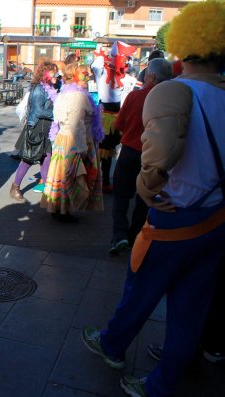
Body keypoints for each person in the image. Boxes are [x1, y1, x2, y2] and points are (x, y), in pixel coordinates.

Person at [81, 2, 225, 396]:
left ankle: (112, 345)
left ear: (185, 48)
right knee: (189, 312)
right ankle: (160, 384)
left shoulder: (174, 90)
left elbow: (159, 154)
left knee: (140, 289)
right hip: (215, 221)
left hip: (173, 216)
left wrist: (146, 190)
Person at [109, 58, 172, 255]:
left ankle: (118, 236)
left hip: (130, 151)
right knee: (145, 198)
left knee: (121, 195)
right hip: (155, 155)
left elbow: (119, 125)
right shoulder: (173, 101)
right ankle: (134, 235)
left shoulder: (135, 97)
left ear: (151, 76)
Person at [41, 63, 104, 222]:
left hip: (63, 139)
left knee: (61, 175)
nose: (87, 79)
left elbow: (58, 121)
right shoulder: (78, 96)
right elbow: (77, 124)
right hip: (76, 140)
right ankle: (64, 211)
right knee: (73, 175)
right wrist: (81, 149)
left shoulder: (63, 93)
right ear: (76, 77)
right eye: (84, 75)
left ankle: (59, 208)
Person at [91, 41, 138, 193]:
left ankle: (104, 181)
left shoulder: (124, 76)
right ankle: (97, 181)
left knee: (110, 152)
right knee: (102, 153)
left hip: (118, 117)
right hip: (105, 118)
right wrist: (100, 51)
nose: (127, 60)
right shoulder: (102, 71)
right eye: (124, 56)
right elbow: (95, 65)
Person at [11, 59, 58, 202]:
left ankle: (47, 190)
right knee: (28, 160)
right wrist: (58, 113)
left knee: (46, 158)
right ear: (45, 74)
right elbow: (38, 111)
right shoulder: (38, 89)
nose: (56, 76)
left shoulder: (49, 88)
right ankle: (15, 188)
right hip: (36, 128)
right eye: (54, 73)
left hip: (46, 128)